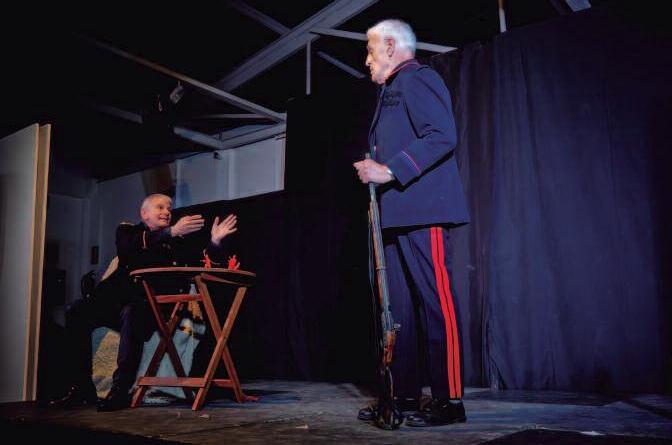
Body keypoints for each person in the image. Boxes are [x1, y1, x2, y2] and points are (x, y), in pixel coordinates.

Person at [353, 19, 470, 427]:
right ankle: (400, 395)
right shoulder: (390, 90)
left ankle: (449, 399)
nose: (367, 61)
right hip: (394, 217)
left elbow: (442, 135)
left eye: (370, 51)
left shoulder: (418, 78)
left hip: (423, 210)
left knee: (436, 303)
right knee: (397, 310)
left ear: (390, 46)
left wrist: (388, 170)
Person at [48, 193, 238, 411]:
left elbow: (201, 265)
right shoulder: (128, 232)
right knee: (76, 310)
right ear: (144, 213)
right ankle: (81, 388)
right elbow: (129, 248)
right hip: (114, 300)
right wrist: (170, 232)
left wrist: (215, 241)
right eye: (160, 207)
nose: (167, 212)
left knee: (133, 311)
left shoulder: (177, 242)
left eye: (169, 209)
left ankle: (120, 390)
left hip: (151, 305)